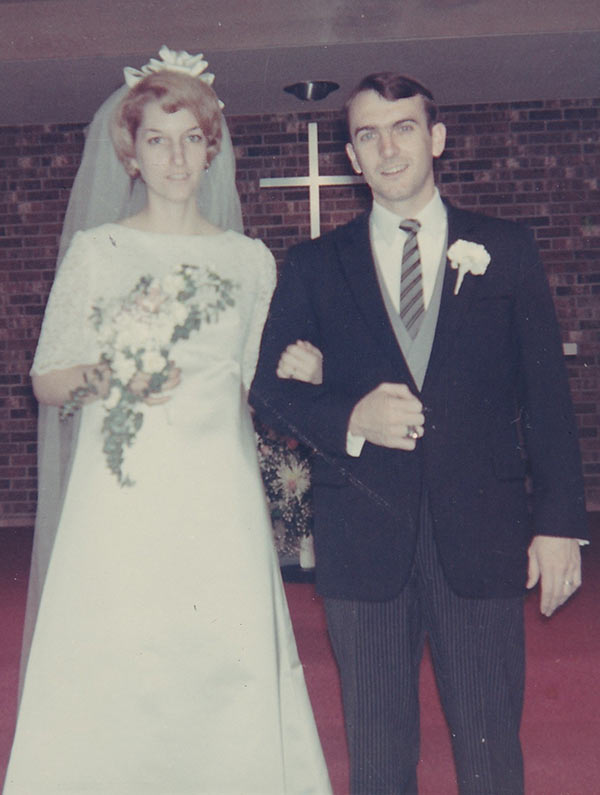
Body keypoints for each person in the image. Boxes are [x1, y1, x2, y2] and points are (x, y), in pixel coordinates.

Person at [4, 48, 331, 794]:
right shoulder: (100, 252)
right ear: (131, 151)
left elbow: (256, 384)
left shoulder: (250, 260)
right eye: (158, 138)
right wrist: (120, 374)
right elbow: (48, 379)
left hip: (219, 488)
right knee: (125, 644)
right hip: (123, 489)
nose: (176, 156)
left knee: (221, 648)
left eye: (191, 138)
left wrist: (304, 369)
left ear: (212, 146)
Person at [251, 72, 589, 794]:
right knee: (378, 759)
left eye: (403, 127)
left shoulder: (508, 248)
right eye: (368, 134)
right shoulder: (315, 264)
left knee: (492, 756)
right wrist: (349, 416)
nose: (387, 146)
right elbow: (268, 393)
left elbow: (548, 400)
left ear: (435, 139)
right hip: (364, 541)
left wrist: (560, 524)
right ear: (351, 154)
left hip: (484, 533)